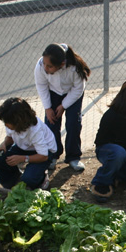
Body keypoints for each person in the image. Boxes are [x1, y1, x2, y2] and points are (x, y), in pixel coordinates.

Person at [34, 43, 90, 172]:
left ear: (61, 64)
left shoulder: (75, 67)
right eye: (44, 63)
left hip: (73, 94)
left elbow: (78, 89)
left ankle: (73, 157)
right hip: (52, 93)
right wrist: (48, 108)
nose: (45, 68)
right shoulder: (40, 66)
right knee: (51, 123)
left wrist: (64, 105)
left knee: (73, 123)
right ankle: (52, 155)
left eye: (49, 66)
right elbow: (41, 86)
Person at [0, 97, 57, 190]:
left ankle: (42, 178)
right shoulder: (11, 122)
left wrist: (22, 158)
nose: (5, 125)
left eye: (7, 122)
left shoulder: (35, 130)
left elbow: (43, 156)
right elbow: (10, 137)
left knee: (29, 179)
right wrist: (4, 144)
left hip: (44, 153)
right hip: (24, 147)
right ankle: (12, 183)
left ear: (19, 121)